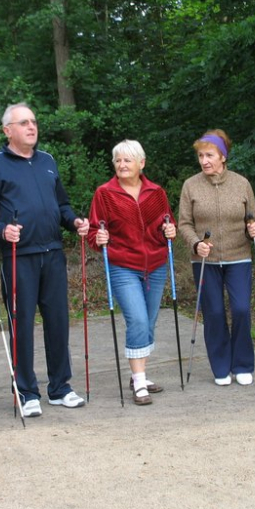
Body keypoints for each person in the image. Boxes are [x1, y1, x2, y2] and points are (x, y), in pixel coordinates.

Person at [0, 103, 88, 417]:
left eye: (34, 121)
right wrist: (1, 229)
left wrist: (75, 221)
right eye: (23, 122)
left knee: (58, 323)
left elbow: (62, 205)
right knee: (21, 324)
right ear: (7, 130)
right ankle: (26, 392)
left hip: (52, 253)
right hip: (17, 257)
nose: (31, 127)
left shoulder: (48, 161)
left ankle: (60, 388)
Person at [87, 140, 177, 405]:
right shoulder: (104, 194)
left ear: (142, 163)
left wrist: (169, 232)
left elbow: (167, 223)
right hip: (123, 265)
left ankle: (139, 374)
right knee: (137, 320)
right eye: (118, 160)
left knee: (148, 322)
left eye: (127, 160)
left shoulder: (156, 192)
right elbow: (94, 232)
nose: (122, 165)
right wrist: (99, 237)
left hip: (156, 265)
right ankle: (139, 382)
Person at [178, 129, 255, 386]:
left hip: (238, 256)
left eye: (210, 155)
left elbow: (253, 219)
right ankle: (221, 366)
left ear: (222, 156)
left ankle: (243, 363)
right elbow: (184, 224)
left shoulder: (241, 183)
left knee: (241, 309)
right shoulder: (190, 185)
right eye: (201, 156)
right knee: (213, 312)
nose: (204, 161)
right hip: (206, 260)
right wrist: (196, 244)